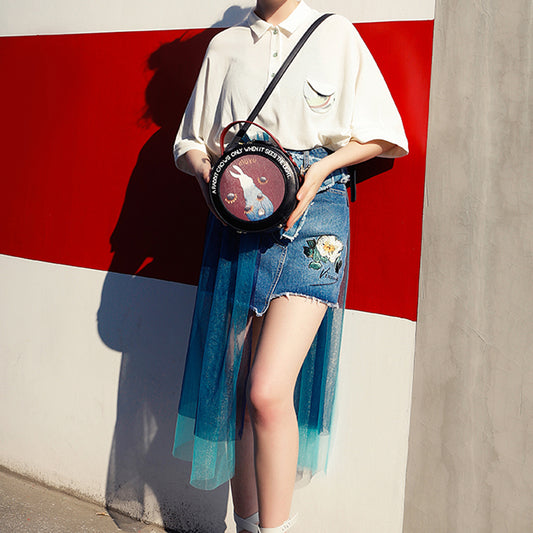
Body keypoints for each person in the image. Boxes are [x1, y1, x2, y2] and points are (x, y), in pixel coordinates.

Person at [172, 1, 408, 531]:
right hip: (241, 211)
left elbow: (386, 135)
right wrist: (209, 176)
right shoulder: (226, 46)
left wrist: (322, 167)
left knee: (267, 390)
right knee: (238, 390)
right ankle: (248, 526)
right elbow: (189, 141)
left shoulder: (335, 34)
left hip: (316, 216)